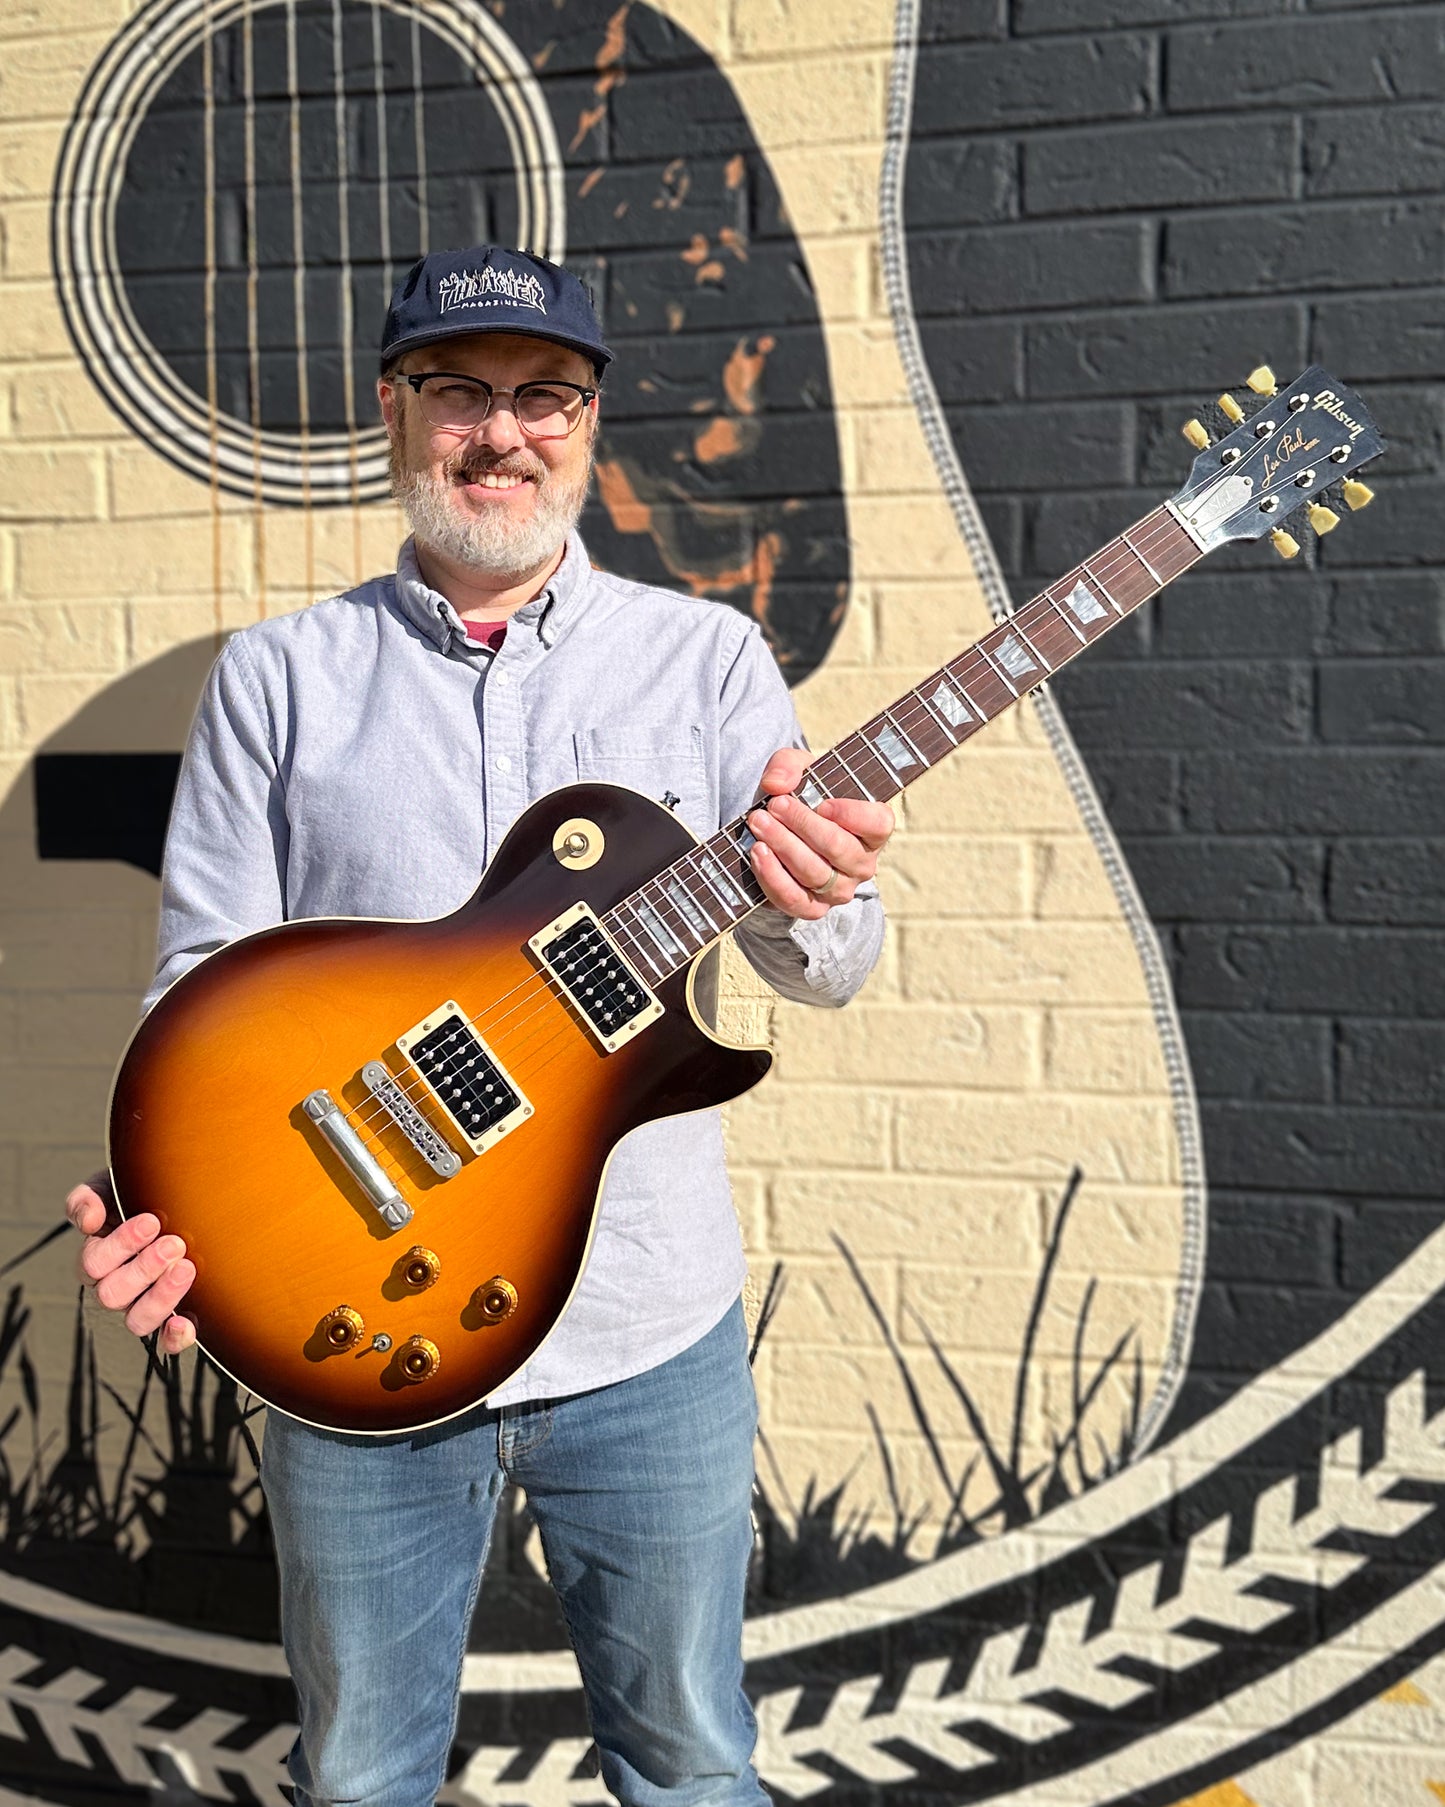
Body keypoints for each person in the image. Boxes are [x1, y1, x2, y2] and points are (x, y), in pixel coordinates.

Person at [65, 246, 892, 1807]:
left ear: (588, 421)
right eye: (459, 390)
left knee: (692, 1762)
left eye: (545, 395)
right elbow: (202, 989)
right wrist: (177, 1202)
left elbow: (827, 970)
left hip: (646, 1332)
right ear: (393, 409)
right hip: (356, 1331)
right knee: (362, 1773)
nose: (503, 432)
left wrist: (810, 890)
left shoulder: (706, 657)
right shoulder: (278, 680)